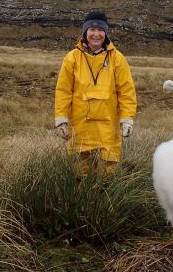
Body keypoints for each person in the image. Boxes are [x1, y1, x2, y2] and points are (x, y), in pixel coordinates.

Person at [54, 11, 137, 175]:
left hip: (108, 128)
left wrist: (127, 119)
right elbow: (63, 91)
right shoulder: (72, 58)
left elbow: (126, 91)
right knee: (80, 174)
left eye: (100, 30)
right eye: (92, 29)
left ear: (105, 33)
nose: (96, 34)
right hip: (80, 126)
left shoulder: (117, 58)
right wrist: (61, 119)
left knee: (107, 174)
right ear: (85, 32)